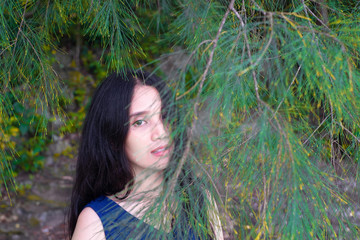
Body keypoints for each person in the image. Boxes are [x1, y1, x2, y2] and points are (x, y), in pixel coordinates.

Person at [68, 70, 223, 239]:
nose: (161, 132)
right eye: (140, 122)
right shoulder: (95, 223)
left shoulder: (199, 198)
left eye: (164, 115)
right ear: (112, 136)